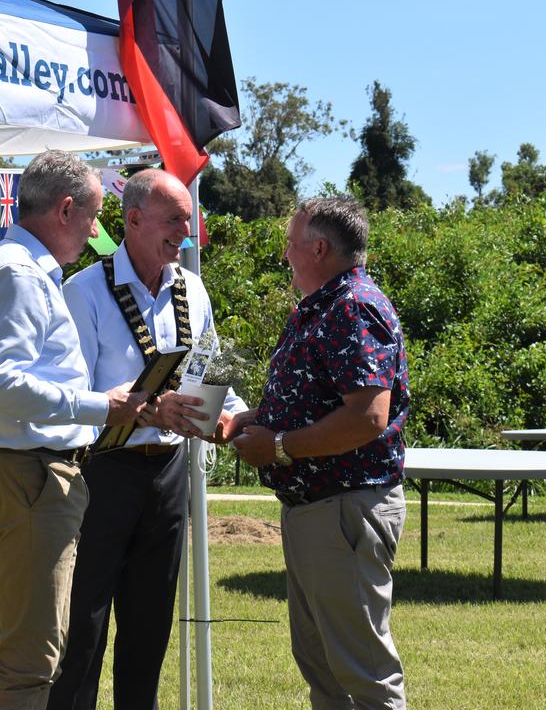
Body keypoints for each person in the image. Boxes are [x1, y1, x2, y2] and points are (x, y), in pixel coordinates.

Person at [47, 168, 248, 710]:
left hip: (168, 474)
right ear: (132, 220)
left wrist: (237, 420)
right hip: (100, 472)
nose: (186, 230)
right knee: (84, 625)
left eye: (188, 218)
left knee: (151, 624)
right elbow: (73, 401)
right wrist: (145, 412)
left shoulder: (192, 288)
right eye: (173, 219)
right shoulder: (84, 292)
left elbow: (208, 381)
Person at [0, 149, 148, 710]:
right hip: (29, 477)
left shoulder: (25, 270)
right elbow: (1, 382)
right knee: (29, 663)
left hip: (36, 475)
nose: (96, 233)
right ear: (65, 209)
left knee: (39, 656)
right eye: (93, 218)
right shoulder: (18, 274)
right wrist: (98, 405)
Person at [230, 195, 409, 710]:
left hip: (343, 508)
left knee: (363, 674)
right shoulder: (327, 305)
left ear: (319, 248)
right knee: (326, 671)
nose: (285, 254)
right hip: (320, 509)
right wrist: (259, 421)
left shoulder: (351, 305)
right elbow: (321, 398)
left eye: (291, 243)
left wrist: (280, 445)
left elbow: (367, 417)